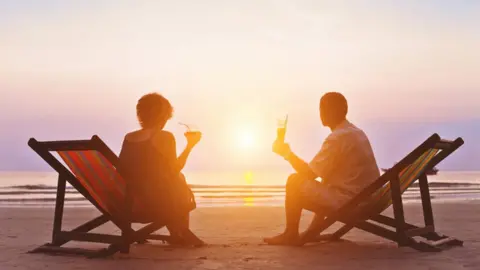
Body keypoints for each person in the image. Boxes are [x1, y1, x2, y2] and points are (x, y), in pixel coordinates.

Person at [264, 92, 380, 246]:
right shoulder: (355, 132)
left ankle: (291, 234)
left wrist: (287, 154)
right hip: (368, 199)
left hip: (353, 203)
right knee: (323, 185)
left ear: (335, 111)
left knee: (294, 181)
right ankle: (310, 231)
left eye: (324, 108)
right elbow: (325, 183)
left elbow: (309, 174)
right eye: (321, 108)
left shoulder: (337, 138)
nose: (321, 113)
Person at [118, 92, 204, 247]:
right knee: (179, 178)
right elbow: (174, 168)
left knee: (174, 180)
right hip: (156, 203)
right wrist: (190, 146)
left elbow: (122, 170)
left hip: (128, 203)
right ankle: (180, 232)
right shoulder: (165, 137)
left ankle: (178, 232)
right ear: (163, 115)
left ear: (140, 115)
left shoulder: (128, 137)